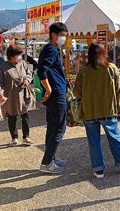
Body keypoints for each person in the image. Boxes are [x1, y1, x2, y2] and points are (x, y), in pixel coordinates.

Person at [74, 43, 120, 179]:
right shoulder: (112, 68)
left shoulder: (83, 70)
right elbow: (119, 89)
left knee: (93, 141)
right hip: (108, 109)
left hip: (89, 110)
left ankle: (98, 169)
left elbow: (77, 92)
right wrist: (118, 106)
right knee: (114, 137)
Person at [38, 22, 68, 174]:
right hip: (56, 94)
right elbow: (41, 71)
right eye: (62, 35)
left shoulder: (51, 49)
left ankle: (51, 158)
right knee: (59, 128)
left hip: (55, 93)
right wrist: (48, 88)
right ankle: (47, 162)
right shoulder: (51, 49)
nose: (64, 38)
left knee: (52, 127)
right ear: (55, 35)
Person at [0, 45, 35, 147]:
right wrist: (0, 91)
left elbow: (29, 73)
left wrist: (27, 80)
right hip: (11, 97)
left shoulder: (23, 63)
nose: (20, 57)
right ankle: (14, 138)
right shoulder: (3, 67)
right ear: (11, 56)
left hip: (24, 95)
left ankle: (26, 137)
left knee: (25, 116)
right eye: (18, 55)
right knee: (12, 117)